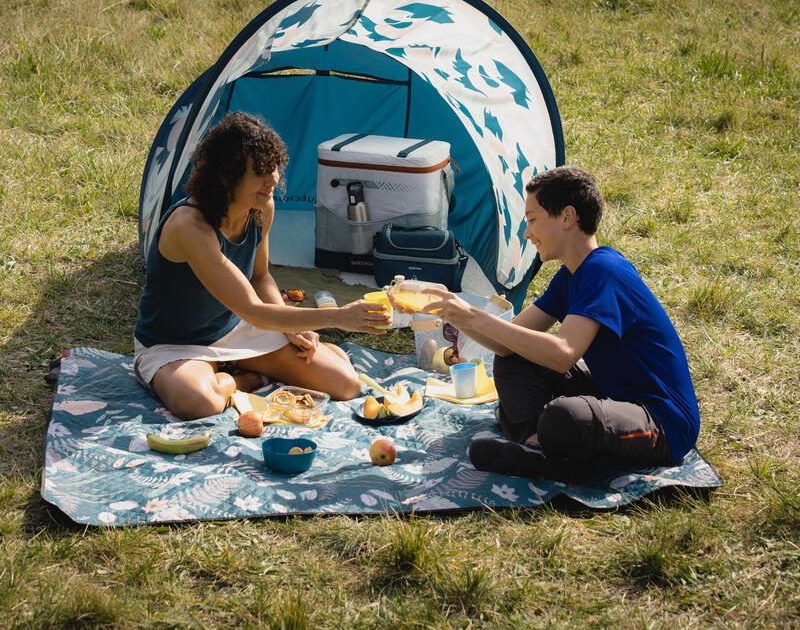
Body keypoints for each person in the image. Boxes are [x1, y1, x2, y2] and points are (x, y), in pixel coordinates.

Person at [422, 165, 700, 483]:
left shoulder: (604, 271)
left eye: (532, 219)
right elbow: (507, 342)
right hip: (615, 397)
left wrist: (474, 316)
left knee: (566, 416)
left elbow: (563, 354)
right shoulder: (571, 276)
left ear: (567, 217)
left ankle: (554, 448)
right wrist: (456, 316)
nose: (527, 233)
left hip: (663, 423)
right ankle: (536, 446)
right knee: (514, 358)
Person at [134, 112, 390, 419]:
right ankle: (248, 378)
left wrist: (295, 329)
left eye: (275, 168)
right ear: (226, 176)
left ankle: (235, 368)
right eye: (260, 171)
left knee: (346, 384)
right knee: (198, 404)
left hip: (236, 329)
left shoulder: (260, 208)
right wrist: (339, 317)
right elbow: (253, 310)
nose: (273, 179)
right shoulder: (190, 226)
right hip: (174, 344)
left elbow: (260, 276)